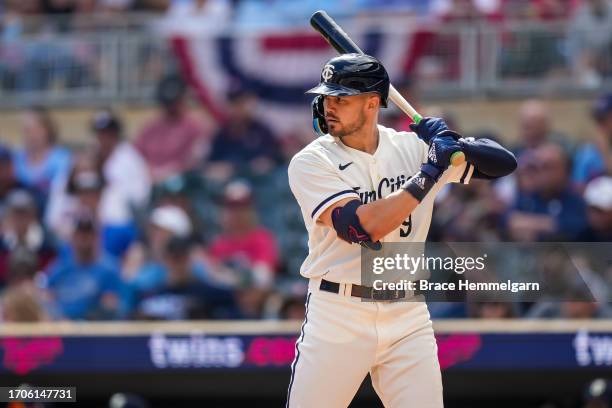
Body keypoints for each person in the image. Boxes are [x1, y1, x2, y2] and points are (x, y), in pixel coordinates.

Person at [286, 53, 516, 407]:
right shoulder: (311, 161)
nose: (329, 106)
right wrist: (429, 173)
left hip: (407, 315)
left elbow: (503, 163)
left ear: (372, 103)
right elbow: (361, 227)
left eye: (341, 99)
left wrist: (452, 141)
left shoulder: (412, 147)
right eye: (327, 97)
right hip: (339, 314)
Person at [134, 74, 210, 183]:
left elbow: (195, 160)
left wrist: (169, 172)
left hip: (181, 185)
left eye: (174, 102)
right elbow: (135, 155)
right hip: (147, 181)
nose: (171, 108)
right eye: (167, 103)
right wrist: (147, 171)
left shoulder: (195, 127)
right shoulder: (150, 127)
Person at [90, 109, 151, 210]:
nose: (104, 137)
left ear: (116, 133)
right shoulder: (95, 156)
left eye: (109, 133)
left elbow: (139, 196)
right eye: (100, 133)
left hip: (124, 218)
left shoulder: (129, 158)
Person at [13, 106, 71, 198]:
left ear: (47, 130)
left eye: (35, 129)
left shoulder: (62, 159)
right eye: (26, 130)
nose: (31, 135)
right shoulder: (16, 158)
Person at [572, 93, 612, 189]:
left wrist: (605, 152)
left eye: (604, 120)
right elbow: (578, 188)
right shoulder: (587, 153)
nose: (600, 126)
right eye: (598, 120)